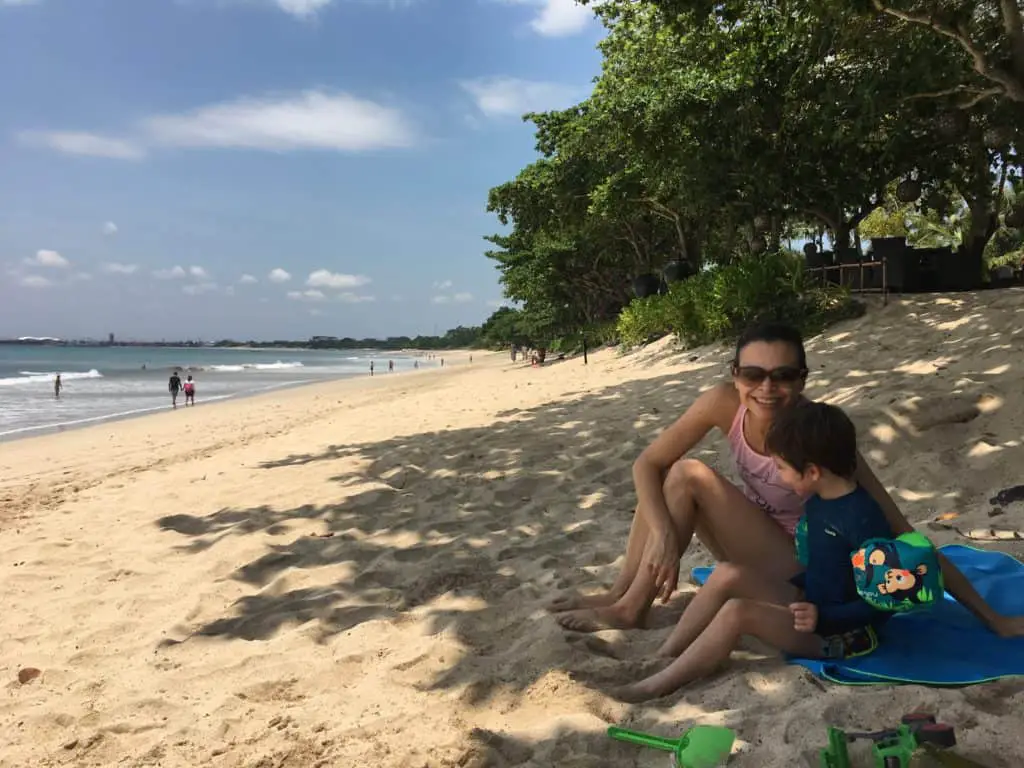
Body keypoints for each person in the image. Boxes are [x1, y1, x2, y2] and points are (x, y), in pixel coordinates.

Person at [549, 320, 1024, 638]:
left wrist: (994, 620)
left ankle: (631, 608)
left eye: (783, 376)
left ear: (802, 380)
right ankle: (620, 595)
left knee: (686, 475)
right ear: (734, 375)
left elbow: (903, 534)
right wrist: (664, 540)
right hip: (756, 536)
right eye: (752, 374)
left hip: (801, 567)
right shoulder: (721, 403)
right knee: (670, 476)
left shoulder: (815, 438)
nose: (766, 388)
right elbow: (644, 464)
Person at [609, 401, 892, 702]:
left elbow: (883, 602)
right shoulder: (819, 500)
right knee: (728, 573)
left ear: (811, 472)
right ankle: (666, 655)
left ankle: (659, 684)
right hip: (810, 603)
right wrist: (800, 593)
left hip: (841, 636)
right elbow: (826, 567)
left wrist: (824, 617)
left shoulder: (864, 519)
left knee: (738, 612)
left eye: (782, 468)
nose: (779, 477)